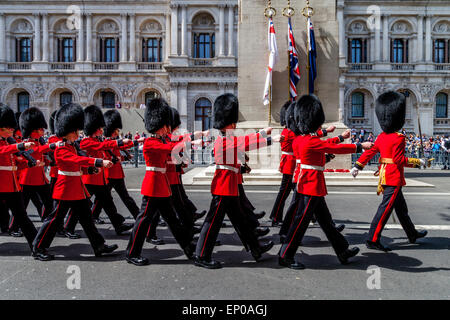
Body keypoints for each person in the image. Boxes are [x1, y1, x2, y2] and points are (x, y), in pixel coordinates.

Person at [278, 95, 371, 270]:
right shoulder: (309, 142)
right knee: (300, 223)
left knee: (326, 222)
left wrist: (338, 137)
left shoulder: (301, 140)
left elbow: (325, 142)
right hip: (310, 185)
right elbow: (332, 147)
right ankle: (285, 255)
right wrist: (358, 146)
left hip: (311, 183)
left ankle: (342, 250)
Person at [193, 93, 274, 269]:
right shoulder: (223, 140)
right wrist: (266, 136)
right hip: (223, 187)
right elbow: (245, 143)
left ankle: (256, 248)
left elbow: (239, 150)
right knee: (212, 223)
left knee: (242, 222)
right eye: (232, 122)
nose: (235, 124)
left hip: (229, 186)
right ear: (226, 123)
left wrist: (242, 167)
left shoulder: (226, 138)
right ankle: (201, 255)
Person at [32, 103, 118, 261]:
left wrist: (91, 170)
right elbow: (77, 160)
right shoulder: (61, 148)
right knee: (54, 219)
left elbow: (77, 166)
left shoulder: (71, 146)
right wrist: (98, 162)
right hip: (65, 189)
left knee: (87, 219)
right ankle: (38, 247)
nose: (78, 134)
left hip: (76, 189)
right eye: (75, 131)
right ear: (67, 132)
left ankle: (98, 245)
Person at [125, 98, 199, 266]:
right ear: (160, 126)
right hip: (153, 186)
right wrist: (191, 139)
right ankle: (131, 252)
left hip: (162, 186)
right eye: (166, 126)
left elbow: (172, 149)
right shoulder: (150, 143)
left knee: (172, 220)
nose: (168, 129)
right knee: (143, 221)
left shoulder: (161, 140)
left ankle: (189, 248)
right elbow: (170, 148)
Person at [351, 91, 428, 252]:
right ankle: (372, 239)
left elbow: (370, 152)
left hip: (385, 174)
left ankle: (412, 233)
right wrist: (418, 162)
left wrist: (358, 165)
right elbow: (399, 160)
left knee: (401, 209)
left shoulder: (381, 137)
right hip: (393, 177)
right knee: (385, 210)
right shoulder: (399, 138)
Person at [89, 109, 144, 224]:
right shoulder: (106, 142)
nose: (118, 132)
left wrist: (127, 154)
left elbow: (120, 152)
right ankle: (93, 216)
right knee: (103, 198)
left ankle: (138, 216)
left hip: (117, 174)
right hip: (109, 174)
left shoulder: (112, 141)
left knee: (124, 198)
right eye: (116, 130)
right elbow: (106, 156)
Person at [0, 103, 38, 251]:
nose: (12, 129)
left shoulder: (8, 141)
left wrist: (28, 164)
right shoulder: (8, 143)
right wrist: (19, 146)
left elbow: (13, 163)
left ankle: (37, 246)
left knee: (22, 216)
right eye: (9, 127)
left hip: (11, 185)